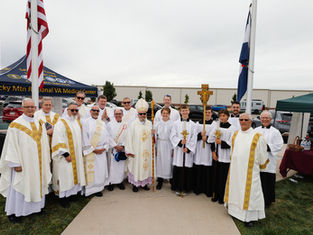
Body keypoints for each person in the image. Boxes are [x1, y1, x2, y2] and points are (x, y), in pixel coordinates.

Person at [0, 98, 51, 223]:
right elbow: (11, 145)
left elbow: (44, 142)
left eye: (32, 107)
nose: (30, 109)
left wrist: (45, 159)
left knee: (37, 183)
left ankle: (37, 208)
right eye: (27, 107)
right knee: (20, 185)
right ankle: (15, 212)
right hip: (23, 163)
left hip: (38, 163)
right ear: (22, 108)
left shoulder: (39, 123)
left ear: (35, 108)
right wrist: (15, 163)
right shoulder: (16, 125)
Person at [224, 113, 269, 227]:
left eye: (246, 120)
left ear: (250, 121)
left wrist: (262, 165)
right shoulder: (236, 134)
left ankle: (249, 218)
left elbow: (262, 153)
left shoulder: (257, 136)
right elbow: (232, 151)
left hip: (250, 171)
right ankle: (234, 212)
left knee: (250, 192)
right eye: (241, 120)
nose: (243, 121)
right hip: (236, 169)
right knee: (235, 189)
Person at [52, 102, 86, 208]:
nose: (74, 112)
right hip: (65, 156)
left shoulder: (75, 122)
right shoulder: (60, 123)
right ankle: (63, 198)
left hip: (76, 155)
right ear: (67, 110)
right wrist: (65, 153)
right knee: (65, 176)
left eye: (76, 110)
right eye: (72, 110)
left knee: (73, 175)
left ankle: (72, 194)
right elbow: (58, 139)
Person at [82, 105, 113, 197]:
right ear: (90, 111)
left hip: (101, 151)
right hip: (91, 151)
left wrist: (105, 147)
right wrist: (93, 150)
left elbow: (107, 136)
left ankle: (99, 189)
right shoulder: (85, 122)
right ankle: (91, 190)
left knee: (100, 171)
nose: (95, 112)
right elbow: (84, 138)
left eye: (97, 111)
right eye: (94, 110)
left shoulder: (102, 123)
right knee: (92, 172)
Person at [255, 111, 283, 208]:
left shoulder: (275, 132)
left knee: (268, 181)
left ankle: (267, 200)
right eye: (263, 118)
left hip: (269, 160)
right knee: (258, 180)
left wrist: (266, 147)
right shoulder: (256, 130)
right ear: (260, 119)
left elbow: (279, 145)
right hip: (258, 160)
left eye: (267, 118)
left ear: (270, 119)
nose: (265, 119)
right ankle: (258, 199)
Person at [125, 98, 153, 192]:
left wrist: (154, 135)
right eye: (141, 114)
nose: (142, 115)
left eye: (144, 114)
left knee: (145, 167)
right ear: (137, 114)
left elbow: (152, 138)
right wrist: (130, 151)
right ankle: (135, 185)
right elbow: (129, 138)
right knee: (136, 167)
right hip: (136, 151)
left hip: (146, 151)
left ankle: (144, 184)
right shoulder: (133, 124)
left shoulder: (150, 124)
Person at [170, 105, 197, 196]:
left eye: (186, 110)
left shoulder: (193, 124)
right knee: (178, 168)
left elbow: (194, 137)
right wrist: (180, 142)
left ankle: (186, 188)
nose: (184, 112)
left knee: (187, 169)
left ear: (189, 111)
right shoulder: (175, 124)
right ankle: (177, 187)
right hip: (179, 150)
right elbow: (172, 136)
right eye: (183, 111)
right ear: (180, 112)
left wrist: (188, 148)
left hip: (187, 151)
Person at [209, 109, 235, 204]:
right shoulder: (217, 126)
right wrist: (213, 152)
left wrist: (222, 142)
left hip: (226, 157)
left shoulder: (232, 128)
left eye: (224, 115)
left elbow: (233, 142)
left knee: (224, 178)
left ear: (228, 116)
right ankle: (215, 195)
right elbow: (210, 140)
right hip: (217, 155)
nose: (222, 117)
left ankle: (222, 197)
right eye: (221, 116)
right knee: (216, 176)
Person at [193, 106, 217, 197]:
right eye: (206, 112)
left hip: (208, 149)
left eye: (209, 112)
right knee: (199, 168)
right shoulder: (198, 124)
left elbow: (215, 135)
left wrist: (207, 138)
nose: (207, 114)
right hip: (199, 149)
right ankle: (198, 188)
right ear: (203, 113)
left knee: (207, 169)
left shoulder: (214, 124)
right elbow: (193, 135)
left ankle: (207, 189)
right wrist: (200, 135)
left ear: (211, 113)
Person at [105, 108, 128, 191]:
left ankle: (119, 182)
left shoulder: (125, 125)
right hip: (113, 148)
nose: (118, 115)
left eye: (119, 114)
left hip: (122, 149)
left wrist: (122, 146)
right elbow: (107, 136)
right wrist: (115, 146)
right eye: (116, 114)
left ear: (122, 115)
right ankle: (110, 182)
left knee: (121, 166)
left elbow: (128, 136)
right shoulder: (109, 124)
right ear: (114, 115)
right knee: (111, 166)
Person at [154, 107, 174, 190]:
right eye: (163, 113)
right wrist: (155, 147)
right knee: (160, 162)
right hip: (160, 144)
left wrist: (173, 148)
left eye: (166, 113)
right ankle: (160, 181)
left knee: (169, 162)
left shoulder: (172, 124)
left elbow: (173, 137)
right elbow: (155, 136)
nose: (165, 114)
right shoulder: (158, 124)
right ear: (161, 114)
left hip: (168, 144)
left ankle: (171, 181)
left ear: (169, 114)